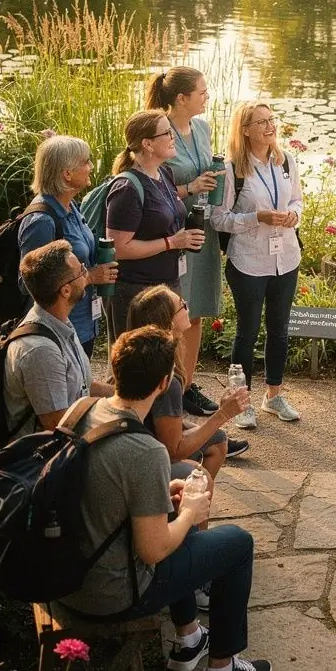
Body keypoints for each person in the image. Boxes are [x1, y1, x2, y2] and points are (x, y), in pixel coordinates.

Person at [54, 326, 272, 671]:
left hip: (63, 572)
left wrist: (166, 498)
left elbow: (101, 489)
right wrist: (190, 513)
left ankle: (188, 639)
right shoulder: (144, 451)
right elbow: (153, 550)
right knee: (237, 544)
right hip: (109, 592)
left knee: (174, 508)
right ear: (164, 383)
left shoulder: (82, 410)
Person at [211, 101, 303, 429]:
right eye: (261, 122)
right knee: (247, 332)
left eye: (271, 120)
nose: (269, 127)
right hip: (249, 261)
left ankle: (273, 396)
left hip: (286, 258)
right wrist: (257, 218)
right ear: (245, 129)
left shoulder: (286, 161)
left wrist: (294, 214)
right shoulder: (232, 169)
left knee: (279, 330)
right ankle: (242, 402)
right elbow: (218, 219)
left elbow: (297, 200)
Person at [145, 67, 222, 416]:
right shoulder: (157, 128)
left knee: (197, 312)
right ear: (181, 98)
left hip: (203, 231)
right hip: (173, 231)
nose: (207, 96)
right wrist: (189, 188)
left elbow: (204, 169)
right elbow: (147, 184)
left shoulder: (203, 128)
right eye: (202, 92)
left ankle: (187, 385)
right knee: (173, 313)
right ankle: (166, 387)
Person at [127, 285, 249, 477]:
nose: (187, 307)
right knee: (201, 477)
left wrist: (191, 426)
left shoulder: (134, 355)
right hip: (145, 463)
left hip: (133, 447)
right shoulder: (168, 379)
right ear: (169, 323)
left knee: (218, 439)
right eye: (181, 305)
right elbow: (173, 451)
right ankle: (186, 502)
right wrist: (223, 414)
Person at [104, 110, 205, 342]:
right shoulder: (127, 188)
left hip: (167, 286)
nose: (173, 137)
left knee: (166, 362)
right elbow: (119, 248)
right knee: (136, 365)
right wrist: (172, 242)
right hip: (136, 293)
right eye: (167, 132)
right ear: (147, 143)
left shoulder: (164, 173)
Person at [18, 135, 119, 357]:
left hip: (82, 326)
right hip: (56, 335)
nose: (91, 166)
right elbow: (29, 283)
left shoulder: (71, 206)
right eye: (85, 162)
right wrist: (90, 277)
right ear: (67, 173)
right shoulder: (42, 221)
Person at [4, 241, 111, 436]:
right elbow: (59, 427)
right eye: (81, 271)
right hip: (46, 458)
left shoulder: (59, 322)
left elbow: (82, 386)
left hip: (70, 445)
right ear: (66, 291)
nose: (86, 274)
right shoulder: (40, 351)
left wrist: (125, 395)